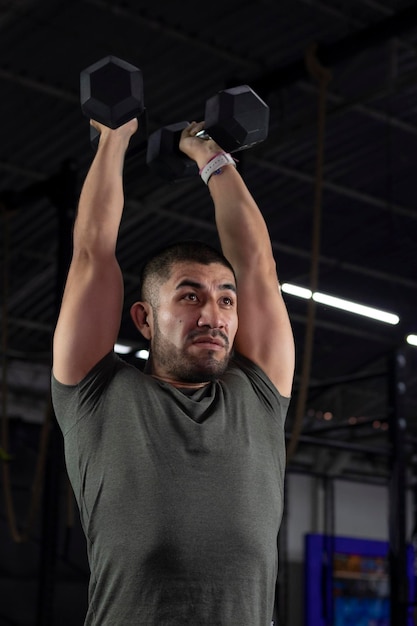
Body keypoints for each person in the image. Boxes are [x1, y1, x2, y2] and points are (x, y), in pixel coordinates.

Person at [51, 115, 295, 626]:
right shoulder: (95, 394)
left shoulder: (261, 392)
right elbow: (92, 254)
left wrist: (209, 155)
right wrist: (114, 141)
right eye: (189, 296)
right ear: (143, 318)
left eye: (226, 300)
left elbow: (257, 265)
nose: (214, 316)